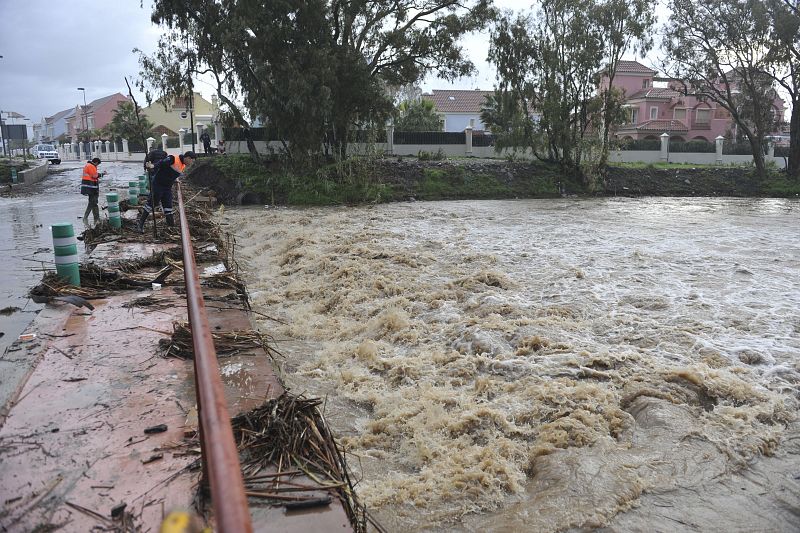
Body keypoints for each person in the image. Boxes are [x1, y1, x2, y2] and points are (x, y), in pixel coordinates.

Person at [137, 151, 196, 232]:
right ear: (188, 158)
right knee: (151, 204)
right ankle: (140, 224)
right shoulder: (173, 159)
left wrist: (174, 180)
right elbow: (161, 163)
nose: (192, 163)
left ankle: (171, 227)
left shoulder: (183, 165)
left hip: (167, 187)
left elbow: (171, 173)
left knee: (168, 206)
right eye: (192, 161)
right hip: (158, 184)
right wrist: (152, 166)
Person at [80, 157, 106, 226]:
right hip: (91, 188)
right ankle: (85, 217)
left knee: (94, 203)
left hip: (89, 187)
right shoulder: (91, 166)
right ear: (96, 162)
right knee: (92, 202)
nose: (97, 166)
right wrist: (102, 174)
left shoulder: (88, 165)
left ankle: (96, 218)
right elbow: (95, 176)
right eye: (97, 164)